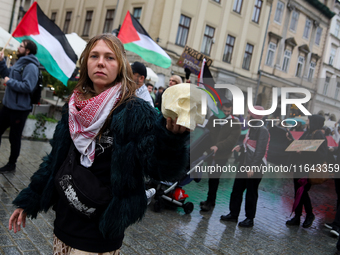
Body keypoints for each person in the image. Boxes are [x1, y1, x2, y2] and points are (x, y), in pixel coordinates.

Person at [8, 34, 189, 254]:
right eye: (94, 56)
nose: (101, 62)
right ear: (86, 63)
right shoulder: (75, 106)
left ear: (120, 65)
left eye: (109, 57)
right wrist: (30, 200)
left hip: (100, 232)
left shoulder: (136, 112)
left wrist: (172, 139)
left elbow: (161, 169)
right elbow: (55, 160)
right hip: (65, 222)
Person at [220, 106, 269, 227]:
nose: (247, 115)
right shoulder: (251, 128)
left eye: (249, 114)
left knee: (251, 193)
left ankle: (249, 218)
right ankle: (233, 214)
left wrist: (252, 167)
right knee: (237, 189)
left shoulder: (262, 130)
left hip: (255, 166)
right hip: (245, 163)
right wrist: (240, 147)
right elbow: (248, 145)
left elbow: (260, 151)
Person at [0, 39, 40, 173]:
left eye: (21, 46)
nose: (18, 48)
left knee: (14, 137)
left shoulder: (31, 66)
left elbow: (28, 86)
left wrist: (9, 82)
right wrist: (1, 61)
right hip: (7, 106)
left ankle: (11, 164)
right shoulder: (19, 63)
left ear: (27, 50)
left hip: (19, 110)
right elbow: (6, 74)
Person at [286, 115, 327, 228]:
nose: (307, 122)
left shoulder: (318, 134)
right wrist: (291, 140)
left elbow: (321, 153)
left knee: (302, 192)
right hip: (299, 166)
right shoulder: (308, 132)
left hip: (307, 168)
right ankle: (297, 217)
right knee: (298, 192)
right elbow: (301, 144)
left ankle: (309, 214)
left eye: (309, 120)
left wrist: (302, 152)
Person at [200, 99, 241, 211]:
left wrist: (218, 146)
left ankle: (210, 202)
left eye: (229, 111)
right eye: (224, 111)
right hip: (210, 153)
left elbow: (231, 140)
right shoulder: (213, 119)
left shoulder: (235, 123)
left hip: (222, 155)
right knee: (210, 176)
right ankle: (210, 200)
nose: (227, 113)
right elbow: (206, 133)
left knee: (214, 178)